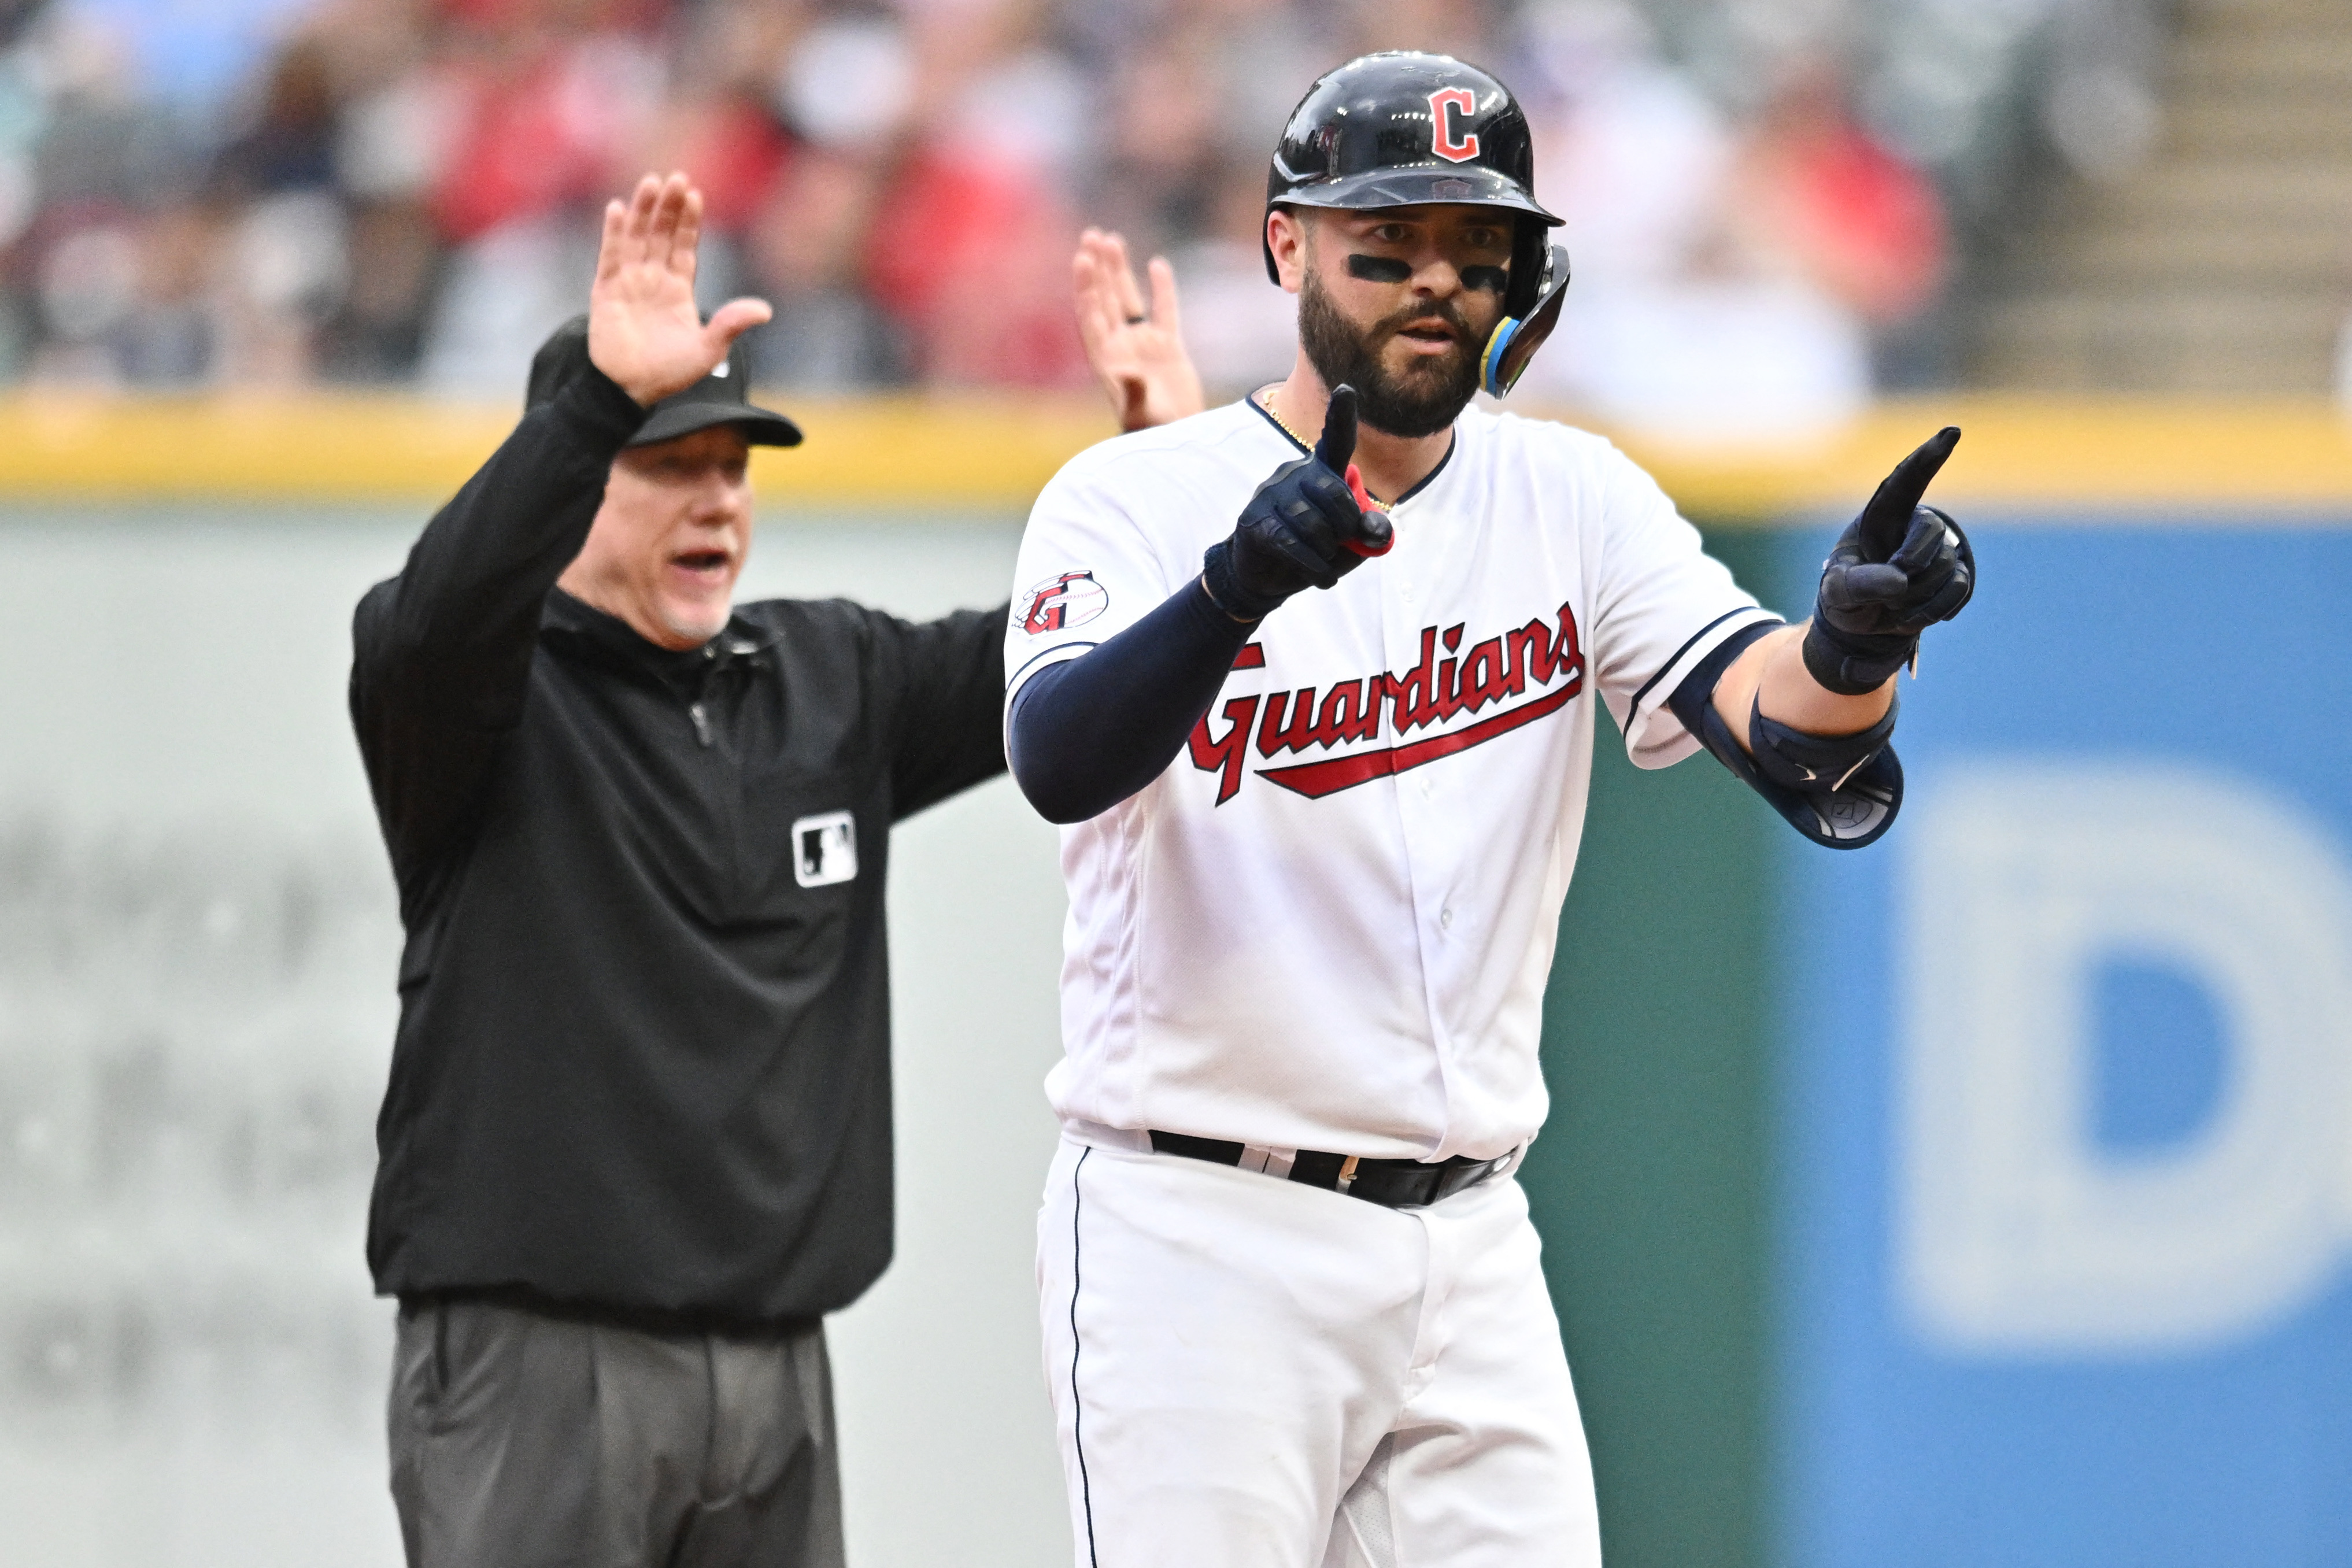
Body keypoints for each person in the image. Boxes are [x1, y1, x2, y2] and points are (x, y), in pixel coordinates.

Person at [1001, 53, 1974, 1567]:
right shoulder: (1133, 497)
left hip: (1467, 1245)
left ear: (1528, 271)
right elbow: (1059, 759)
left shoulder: (1569, 497)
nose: (1432, 281)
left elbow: (1786, 741)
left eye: (1474, 247)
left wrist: (1854, 649)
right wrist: (1231, 585)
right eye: (1384, 243)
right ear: (1285, 247)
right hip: (1194, 1227)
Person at [349, 172, 1193, 1567]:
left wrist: (1165, 476)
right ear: (574, 483)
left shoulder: (827, 675)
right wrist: (590, 409)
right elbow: (438, 619)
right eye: (669, 463)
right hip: (540, 1360)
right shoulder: (480, 701)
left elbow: (1072, 669)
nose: (717, 500)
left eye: (733, 466)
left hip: (778, 1375)